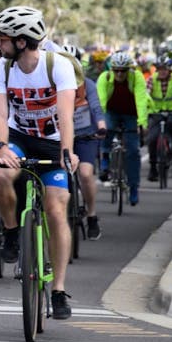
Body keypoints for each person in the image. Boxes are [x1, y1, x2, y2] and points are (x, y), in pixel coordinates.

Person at [0, 5, 79, 320]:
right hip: (18, 137)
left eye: (3, 37)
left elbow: (66, 116)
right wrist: (1, 147)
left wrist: (67, 151)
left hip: (52, 142)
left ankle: (59, 290)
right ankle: (12, 231)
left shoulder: (58, 67)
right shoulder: (1, 68)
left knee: (56, 208)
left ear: (22, 41)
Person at [64, 44, 107, 240]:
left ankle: (91, 215)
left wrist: (101, 126)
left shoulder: (88, 84)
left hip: (85, 136)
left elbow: (97, 108)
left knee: (85, 173)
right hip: (62, 137)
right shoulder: (53, 83)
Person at [97, 52, 147, 206]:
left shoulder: (136, 77)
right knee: (108, 128)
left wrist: (142, 123)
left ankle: (133, 187)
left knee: (133, 151)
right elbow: (101, 101)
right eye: (116, 70)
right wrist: (100, 124)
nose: (119, 73)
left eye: (123, 70)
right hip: (111, 111)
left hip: (131, 114)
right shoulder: (104, 78)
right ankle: (105, 157)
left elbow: (141, 100)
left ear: (129, 70)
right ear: (111, 69)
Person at [145, 55, 172, 183]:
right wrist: (145, 111)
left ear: (169, 69)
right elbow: (146, 95)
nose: (162, 71)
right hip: (156, 112)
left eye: (165, 69)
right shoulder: (152, 79)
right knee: (151, 139)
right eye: (160, 69)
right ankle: (153, 168)